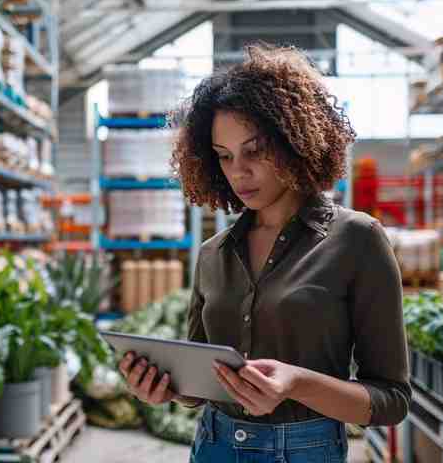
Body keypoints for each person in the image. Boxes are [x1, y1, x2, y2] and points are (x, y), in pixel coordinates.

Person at [118, 43, 411, 463]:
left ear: (295, 141)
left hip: (306, 451)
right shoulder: (213, 253)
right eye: (224, 157)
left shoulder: (357, 239)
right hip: (213, 446)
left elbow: (392, 399)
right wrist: (167, 386)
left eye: (254, 151)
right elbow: (198, 389)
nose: (239, 171)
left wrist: (297, 384)